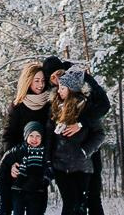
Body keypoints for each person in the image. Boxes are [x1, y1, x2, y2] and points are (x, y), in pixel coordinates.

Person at [42, 56, 109, 215]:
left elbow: (104, 105)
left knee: (92, 198)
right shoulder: (55, 95)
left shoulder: (82, 80)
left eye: (59, 74)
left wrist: (81, 123)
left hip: (88, 152)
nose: (57, 80)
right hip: (63, 160)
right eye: (53, 78)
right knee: (73, 202)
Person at [0, 62, 51, 215]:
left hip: (37, 166)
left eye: (43, 80)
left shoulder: (49, 104)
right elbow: (8, 136)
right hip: (16, 163)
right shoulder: (17, 106)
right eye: (36, 80)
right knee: (9, 208)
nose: (41, 84)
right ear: (28, 81)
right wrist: (12, 163)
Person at [0, 121, 52, 215]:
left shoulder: (45, 153)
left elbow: (50, 168)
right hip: (18, 191)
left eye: (38, 136)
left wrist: (45, 179)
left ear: (42, 137)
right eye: (31, 135)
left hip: (37, 191)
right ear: (26, 136)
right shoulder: (18, 150)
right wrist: (3, 180)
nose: (34, 139)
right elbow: (4, 164)